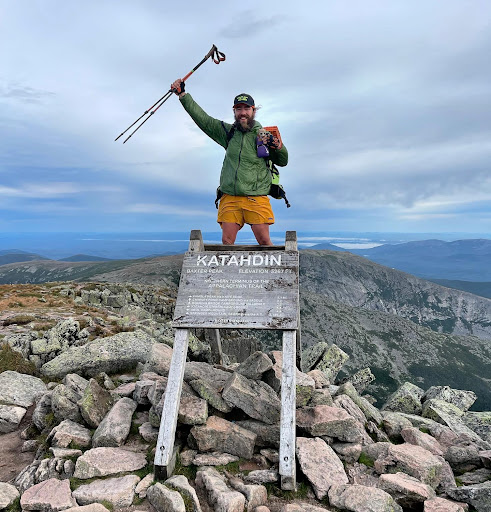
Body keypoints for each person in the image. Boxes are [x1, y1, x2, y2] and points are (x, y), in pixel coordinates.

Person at [171, 79, 288, 246]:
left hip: (256, 197)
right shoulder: (229, 132)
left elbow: (283, 161)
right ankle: (227, 273)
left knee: (264, 241)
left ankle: (275, 272)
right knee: (227, 241)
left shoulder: (264, 134)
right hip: (230, 197)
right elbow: (203, 119)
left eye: (246, 108)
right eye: (238, 109)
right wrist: (183, 95)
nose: (242, 113)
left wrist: (279, 147)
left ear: (253, 110)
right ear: (234, 111)